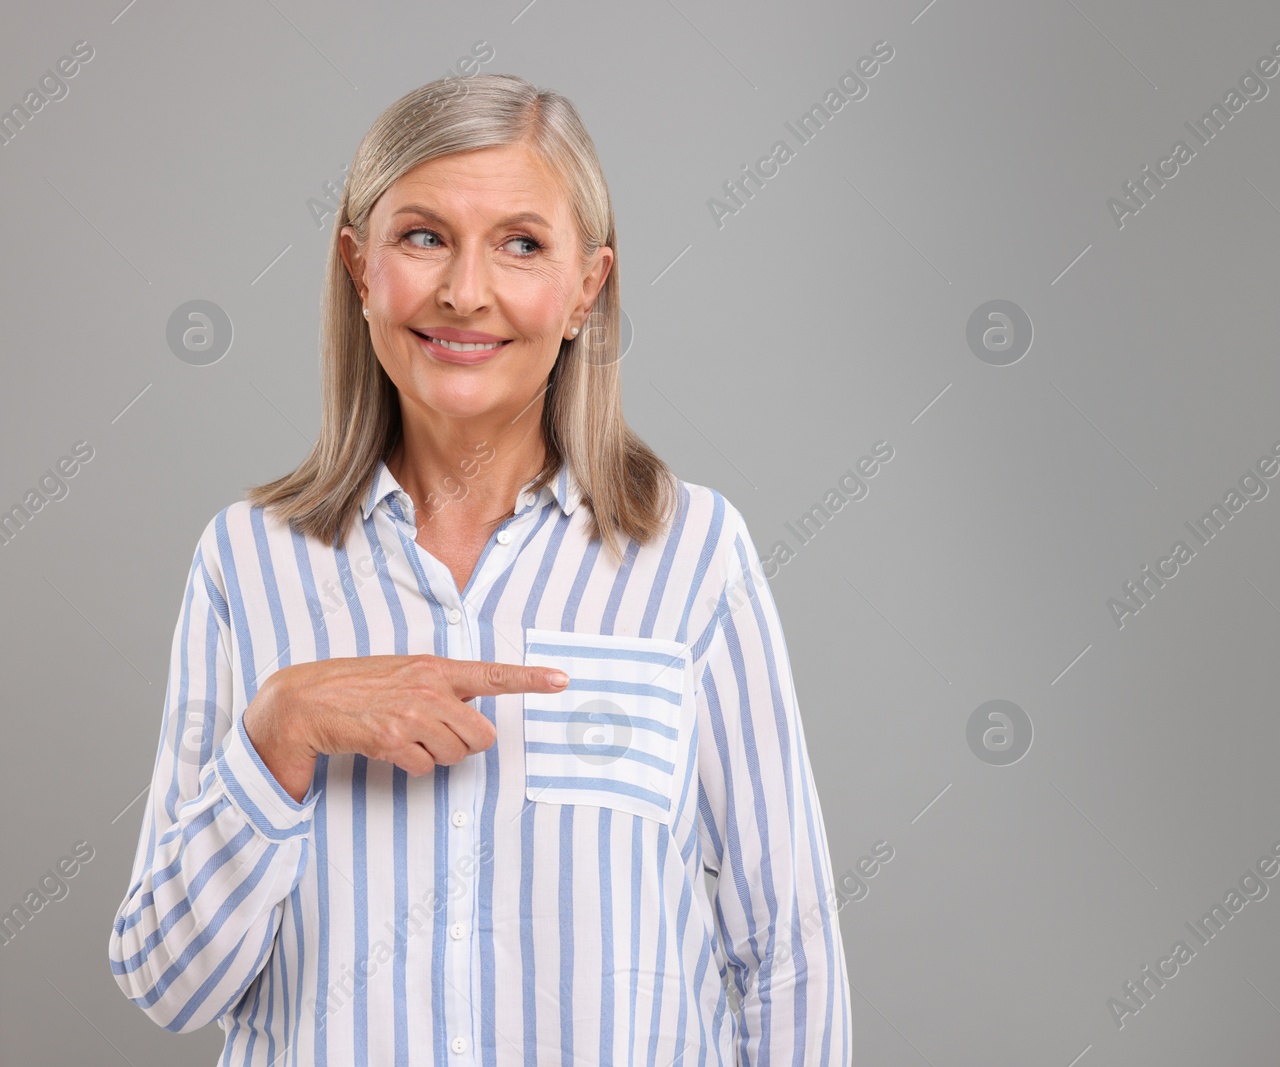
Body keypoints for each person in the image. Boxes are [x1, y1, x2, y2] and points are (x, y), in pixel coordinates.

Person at [107, 72, 852, 1065]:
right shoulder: (248, 561)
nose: (466, 289)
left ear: (587, 287)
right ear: (358, 267)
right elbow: (166, 981)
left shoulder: (693, 554)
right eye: (422, 236)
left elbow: (788, 954)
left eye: (521, 244)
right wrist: (278, 731)